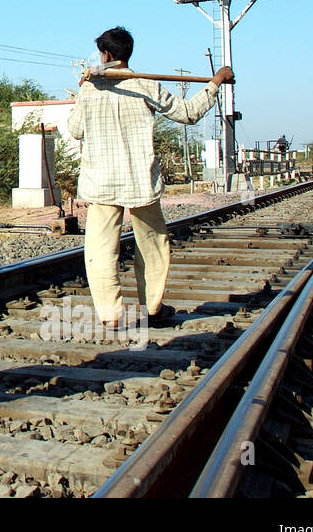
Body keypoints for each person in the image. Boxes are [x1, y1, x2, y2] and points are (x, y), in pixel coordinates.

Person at [66, 26, 233, 329]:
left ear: (106, 55)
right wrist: (215, 83)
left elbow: (75, 130)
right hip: (140, 181)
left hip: (101, 182)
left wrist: (83, 91)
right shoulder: (146, 85)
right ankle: (152, 308)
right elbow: (188, 113)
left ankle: (111, 314)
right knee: (153, 245)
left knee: (101, 248)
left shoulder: (89, 89)